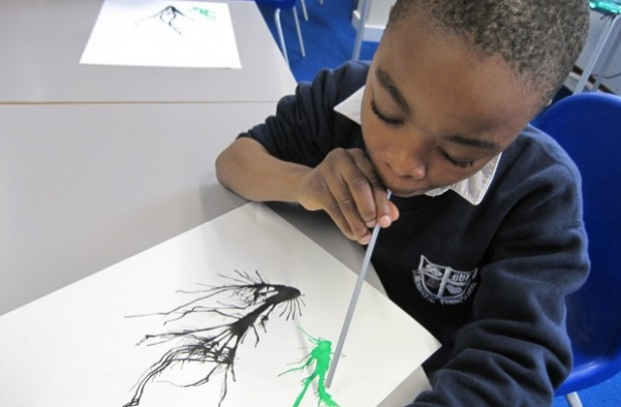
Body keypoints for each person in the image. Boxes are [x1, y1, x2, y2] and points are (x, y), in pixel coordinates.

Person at [216, 0, 591, 405]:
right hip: (310, 312)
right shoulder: (341, 94)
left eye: (457, 155)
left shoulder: (539, 193)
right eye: (387, 111)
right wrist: (303, 182)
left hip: (418, 371)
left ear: (520, 126)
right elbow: (235, 163)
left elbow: (517, 364)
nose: (401, 162)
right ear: (380, 48)